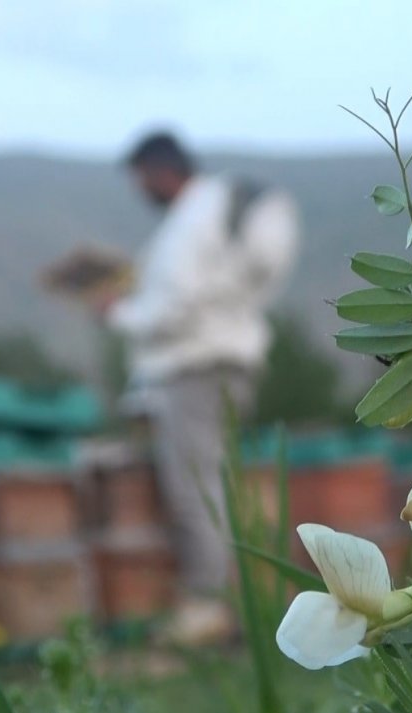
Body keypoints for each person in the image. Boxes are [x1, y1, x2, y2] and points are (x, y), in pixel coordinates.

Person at [93, 131, 298, 645]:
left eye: (141, 178)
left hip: (196, 368)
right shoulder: (208, 213)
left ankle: (209, 608)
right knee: (208, 483)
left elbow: (175, 304)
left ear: (160, 170)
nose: (141, 188)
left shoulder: (193, 217)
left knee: (194, 489)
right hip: (219, 363)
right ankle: (222, 603)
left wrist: (119, 313)